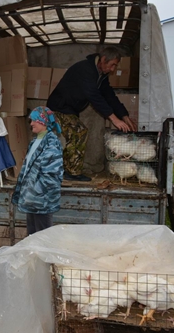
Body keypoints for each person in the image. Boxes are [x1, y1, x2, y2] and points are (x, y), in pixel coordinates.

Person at [46, 46, 138, 181]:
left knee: (76, 134)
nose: (113, 69)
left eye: (115, 66)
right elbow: (93, 95)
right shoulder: (85, 69)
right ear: (103, 59)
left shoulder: (101, 75)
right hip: (58, 107)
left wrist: (124, 115)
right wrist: (114, 119)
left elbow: (109, 96)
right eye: (112, 65)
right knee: (79, 132)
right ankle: (72, 172)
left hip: (70, 110)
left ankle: (67, 169)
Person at [11, 106, 64, 235]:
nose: (31, 124)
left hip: (41, 203)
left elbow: (51, 176)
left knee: (42, 240)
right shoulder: (35, 142)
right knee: (32, 237)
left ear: (44, 121)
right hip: (33, 201)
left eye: (34, 120)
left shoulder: (51, 144)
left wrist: (34, 193)